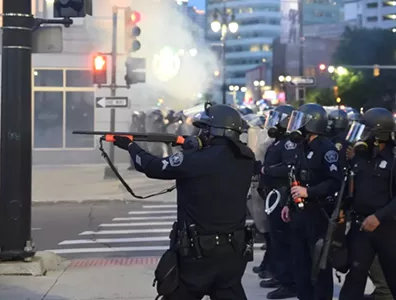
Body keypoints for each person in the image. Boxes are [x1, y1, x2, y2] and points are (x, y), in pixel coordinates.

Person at [113, 103, 255, 300]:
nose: (200, 133)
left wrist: (131, 146)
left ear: (211, 131)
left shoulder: (195, 160)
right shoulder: (246, 158)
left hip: (199, 255)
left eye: (203, 129)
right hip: (234, 252)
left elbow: (152, 166)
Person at [281, 103, 342, 300]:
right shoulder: (301, 146)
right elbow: (294, 176)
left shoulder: (327, 149)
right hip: (300, 213)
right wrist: (288, 204)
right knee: (300, 263)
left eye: (302, 122)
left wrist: (309, 192)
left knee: (319, 263)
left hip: (319, 213)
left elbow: (335, 182)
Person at [339, 107, 396, 299]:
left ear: (378, 134)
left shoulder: (394, 158)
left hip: (387, 228)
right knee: (355, 276)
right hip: (361, 226)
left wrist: (379, 217)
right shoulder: (360, 156)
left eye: (367, 131)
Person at [258, 105, 298, 299]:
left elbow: (289, 167)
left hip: (282, 195)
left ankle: (289, 283)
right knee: (275, 239)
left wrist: (268, 171)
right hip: (272, 194)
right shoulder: (278, 141)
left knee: (283, 240)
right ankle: (280, 276)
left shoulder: (289, 143)